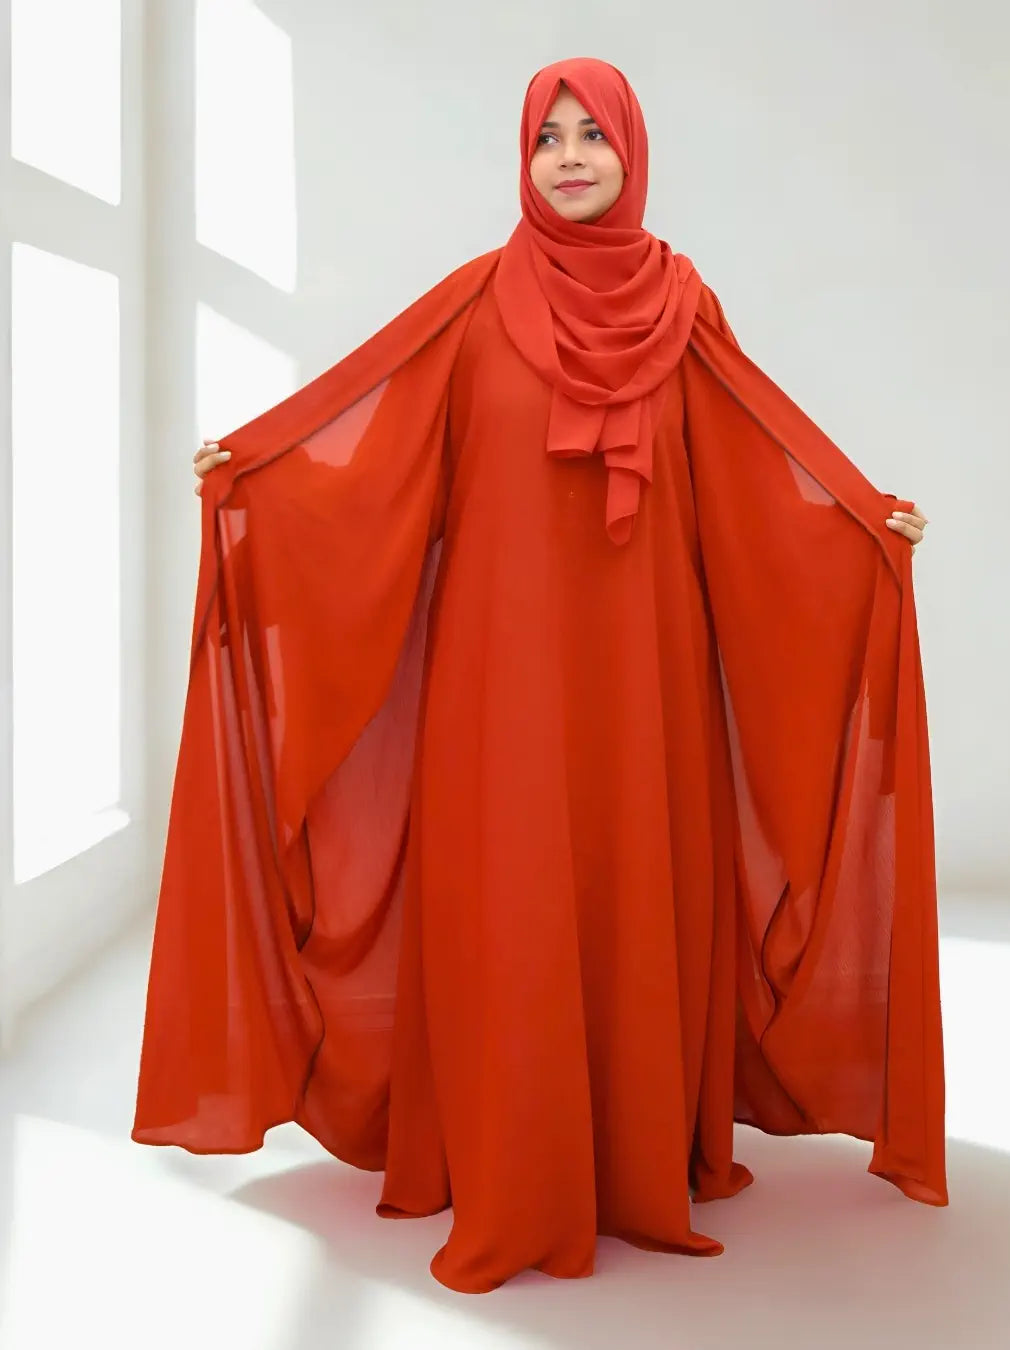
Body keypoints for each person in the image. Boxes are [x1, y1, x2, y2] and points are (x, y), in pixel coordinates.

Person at [133, 57, 944, 1295]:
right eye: (546, 138)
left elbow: (752, 453)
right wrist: (256, 470)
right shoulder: (475, 304)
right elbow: (373, 445)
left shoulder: (685, 307)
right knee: (504, 893)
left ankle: (632, 1154)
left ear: (631, 152)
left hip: (644, 685)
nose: (568, 157)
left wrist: (861, 520)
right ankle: (509, 1156)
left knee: (630, 882)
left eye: (591, 135)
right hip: (496, 681)